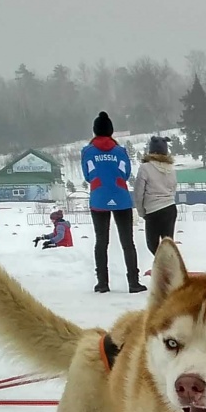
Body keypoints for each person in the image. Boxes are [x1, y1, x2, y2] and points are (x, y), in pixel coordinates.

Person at [81, 111, 142, 293]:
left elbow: (87, 175)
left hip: (98, 198)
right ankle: (133, 282)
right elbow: (125, 174)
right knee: (127, 242)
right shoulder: (120, 151)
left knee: (101, 242)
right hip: (121, 198)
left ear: (95, 131)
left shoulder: (88, 152)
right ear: (111, 131)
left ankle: (102, 283)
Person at [132, 135, 178, 254]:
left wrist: (141, 211)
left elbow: (138, 192)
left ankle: (163, 267)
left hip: (153, 211)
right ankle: (169, 266)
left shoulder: (145, 168)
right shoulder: (171, 168)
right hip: (170, 208)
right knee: (168, 244)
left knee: (152, 245)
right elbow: (173, 188)